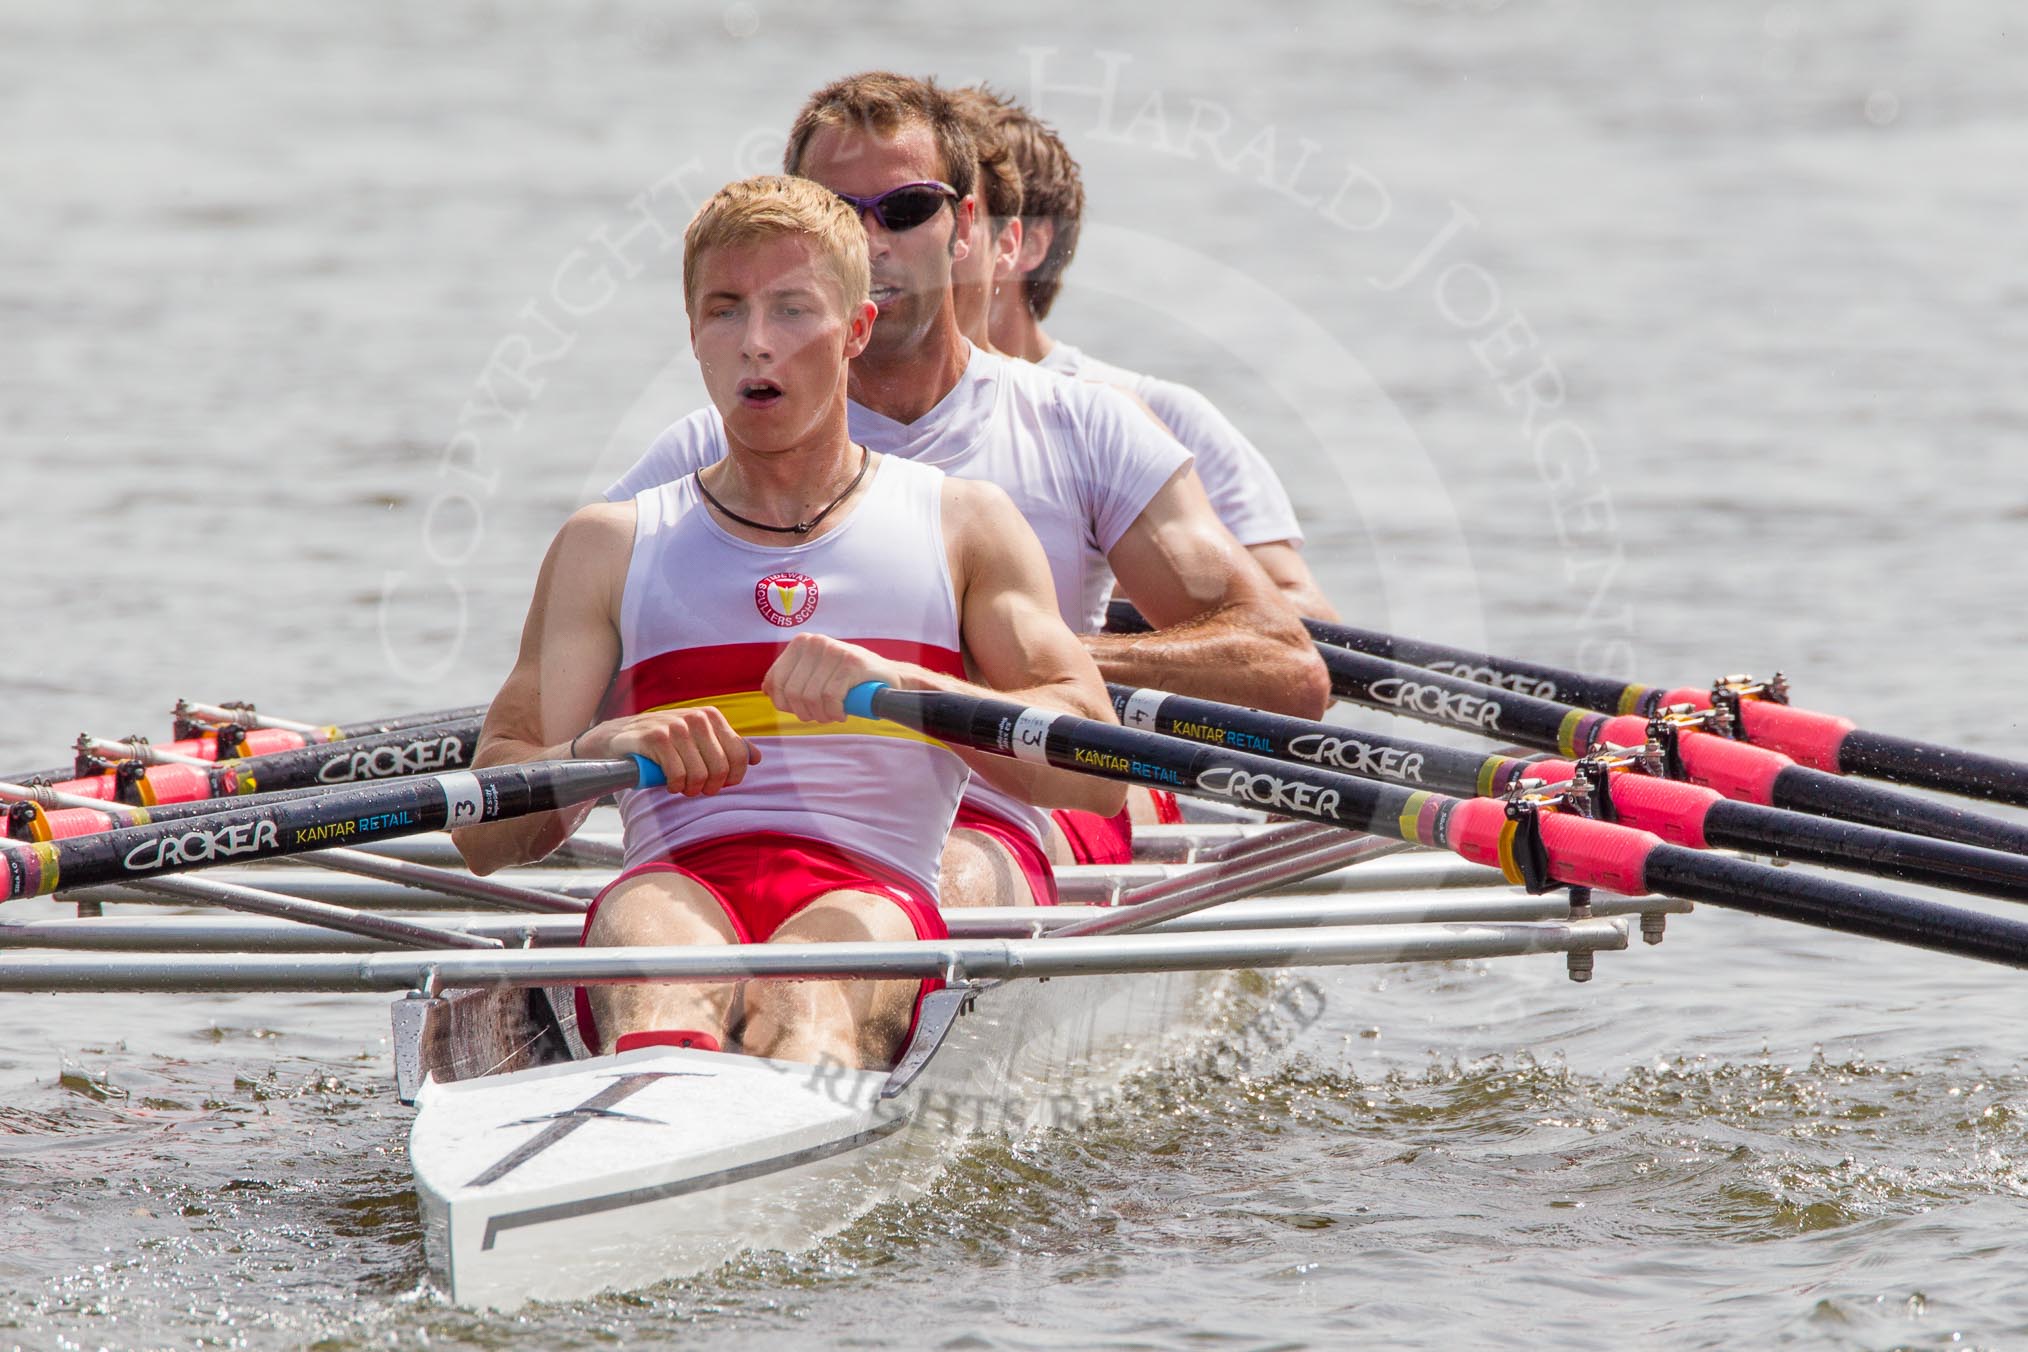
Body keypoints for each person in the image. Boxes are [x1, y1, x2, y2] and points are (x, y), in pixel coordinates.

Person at [608, 73, 1328, 911]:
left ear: (968, 227)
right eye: (839, 211)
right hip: (760, 820)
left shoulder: (1083, 427)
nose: (872, 240)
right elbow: (563, 674)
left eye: (905, 209)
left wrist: (971, 663)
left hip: (1015, 805)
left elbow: (1286, 670)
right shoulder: (700, 450)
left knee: (941, 861)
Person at [455, 175, 1123, 1071]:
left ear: (856, 331)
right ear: (692, 334)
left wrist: (908, 693)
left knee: (803, 1000)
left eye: (793, 310)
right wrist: (595, 753)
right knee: (653, 953)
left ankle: (747, 1138)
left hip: (871, 892)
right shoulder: (607, 546)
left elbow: (1097, 775)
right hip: (675, 885)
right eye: (724, 311)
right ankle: (656, 1117)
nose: (756, 344)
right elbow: (485, 835)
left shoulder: (963, 524)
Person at [975, 89, 1340, 622]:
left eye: (911, 213)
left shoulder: (1159, 414)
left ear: (1022, 245)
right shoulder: (844, 412)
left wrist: (1129, 577)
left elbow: (1307, 627)